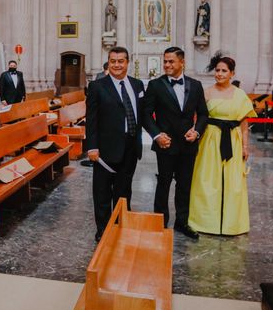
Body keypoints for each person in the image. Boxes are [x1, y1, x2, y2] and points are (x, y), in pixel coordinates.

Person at [142, 46, 208, 240]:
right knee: (163, 183)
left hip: (188, 144)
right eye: (165, 61)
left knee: (185, 185)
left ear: (182, 62)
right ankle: (160, 222)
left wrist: (196, 131)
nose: (167, 65)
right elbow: (146, 115)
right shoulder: (155, 85)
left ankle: (182, 222)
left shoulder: (195, 85)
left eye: (171, 61)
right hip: (166, 143)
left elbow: (204, 114)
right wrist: (157, 135)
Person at [188, 54, 256, 236]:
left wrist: (245, 146)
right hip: (210, 139)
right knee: (207, 180)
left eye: (224, 71)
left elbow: (244, 124)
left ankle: (231, 224)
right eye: (217, 70)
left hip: (232, 140)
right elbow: (199, 117)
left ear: (232, 73)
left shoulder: (240, 95)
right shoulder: (207, 92)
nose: (219, 74)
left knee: (232, 182)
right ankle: (205, 221)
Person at [86, 46, 145, 242]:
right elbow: (91, 120)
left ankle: (121, 226)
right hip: (105, 147)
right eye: (113, 61)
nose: (117, 65)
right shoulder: (97, 86)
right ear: (109, 63)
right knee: (102, 192)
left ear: (128, 62)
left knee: (124, 190)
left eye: (121, 61)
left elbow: (141, 114)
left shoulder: (137, 85)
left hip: (130, 146)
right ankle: (103, 230)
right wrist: (92, 147)